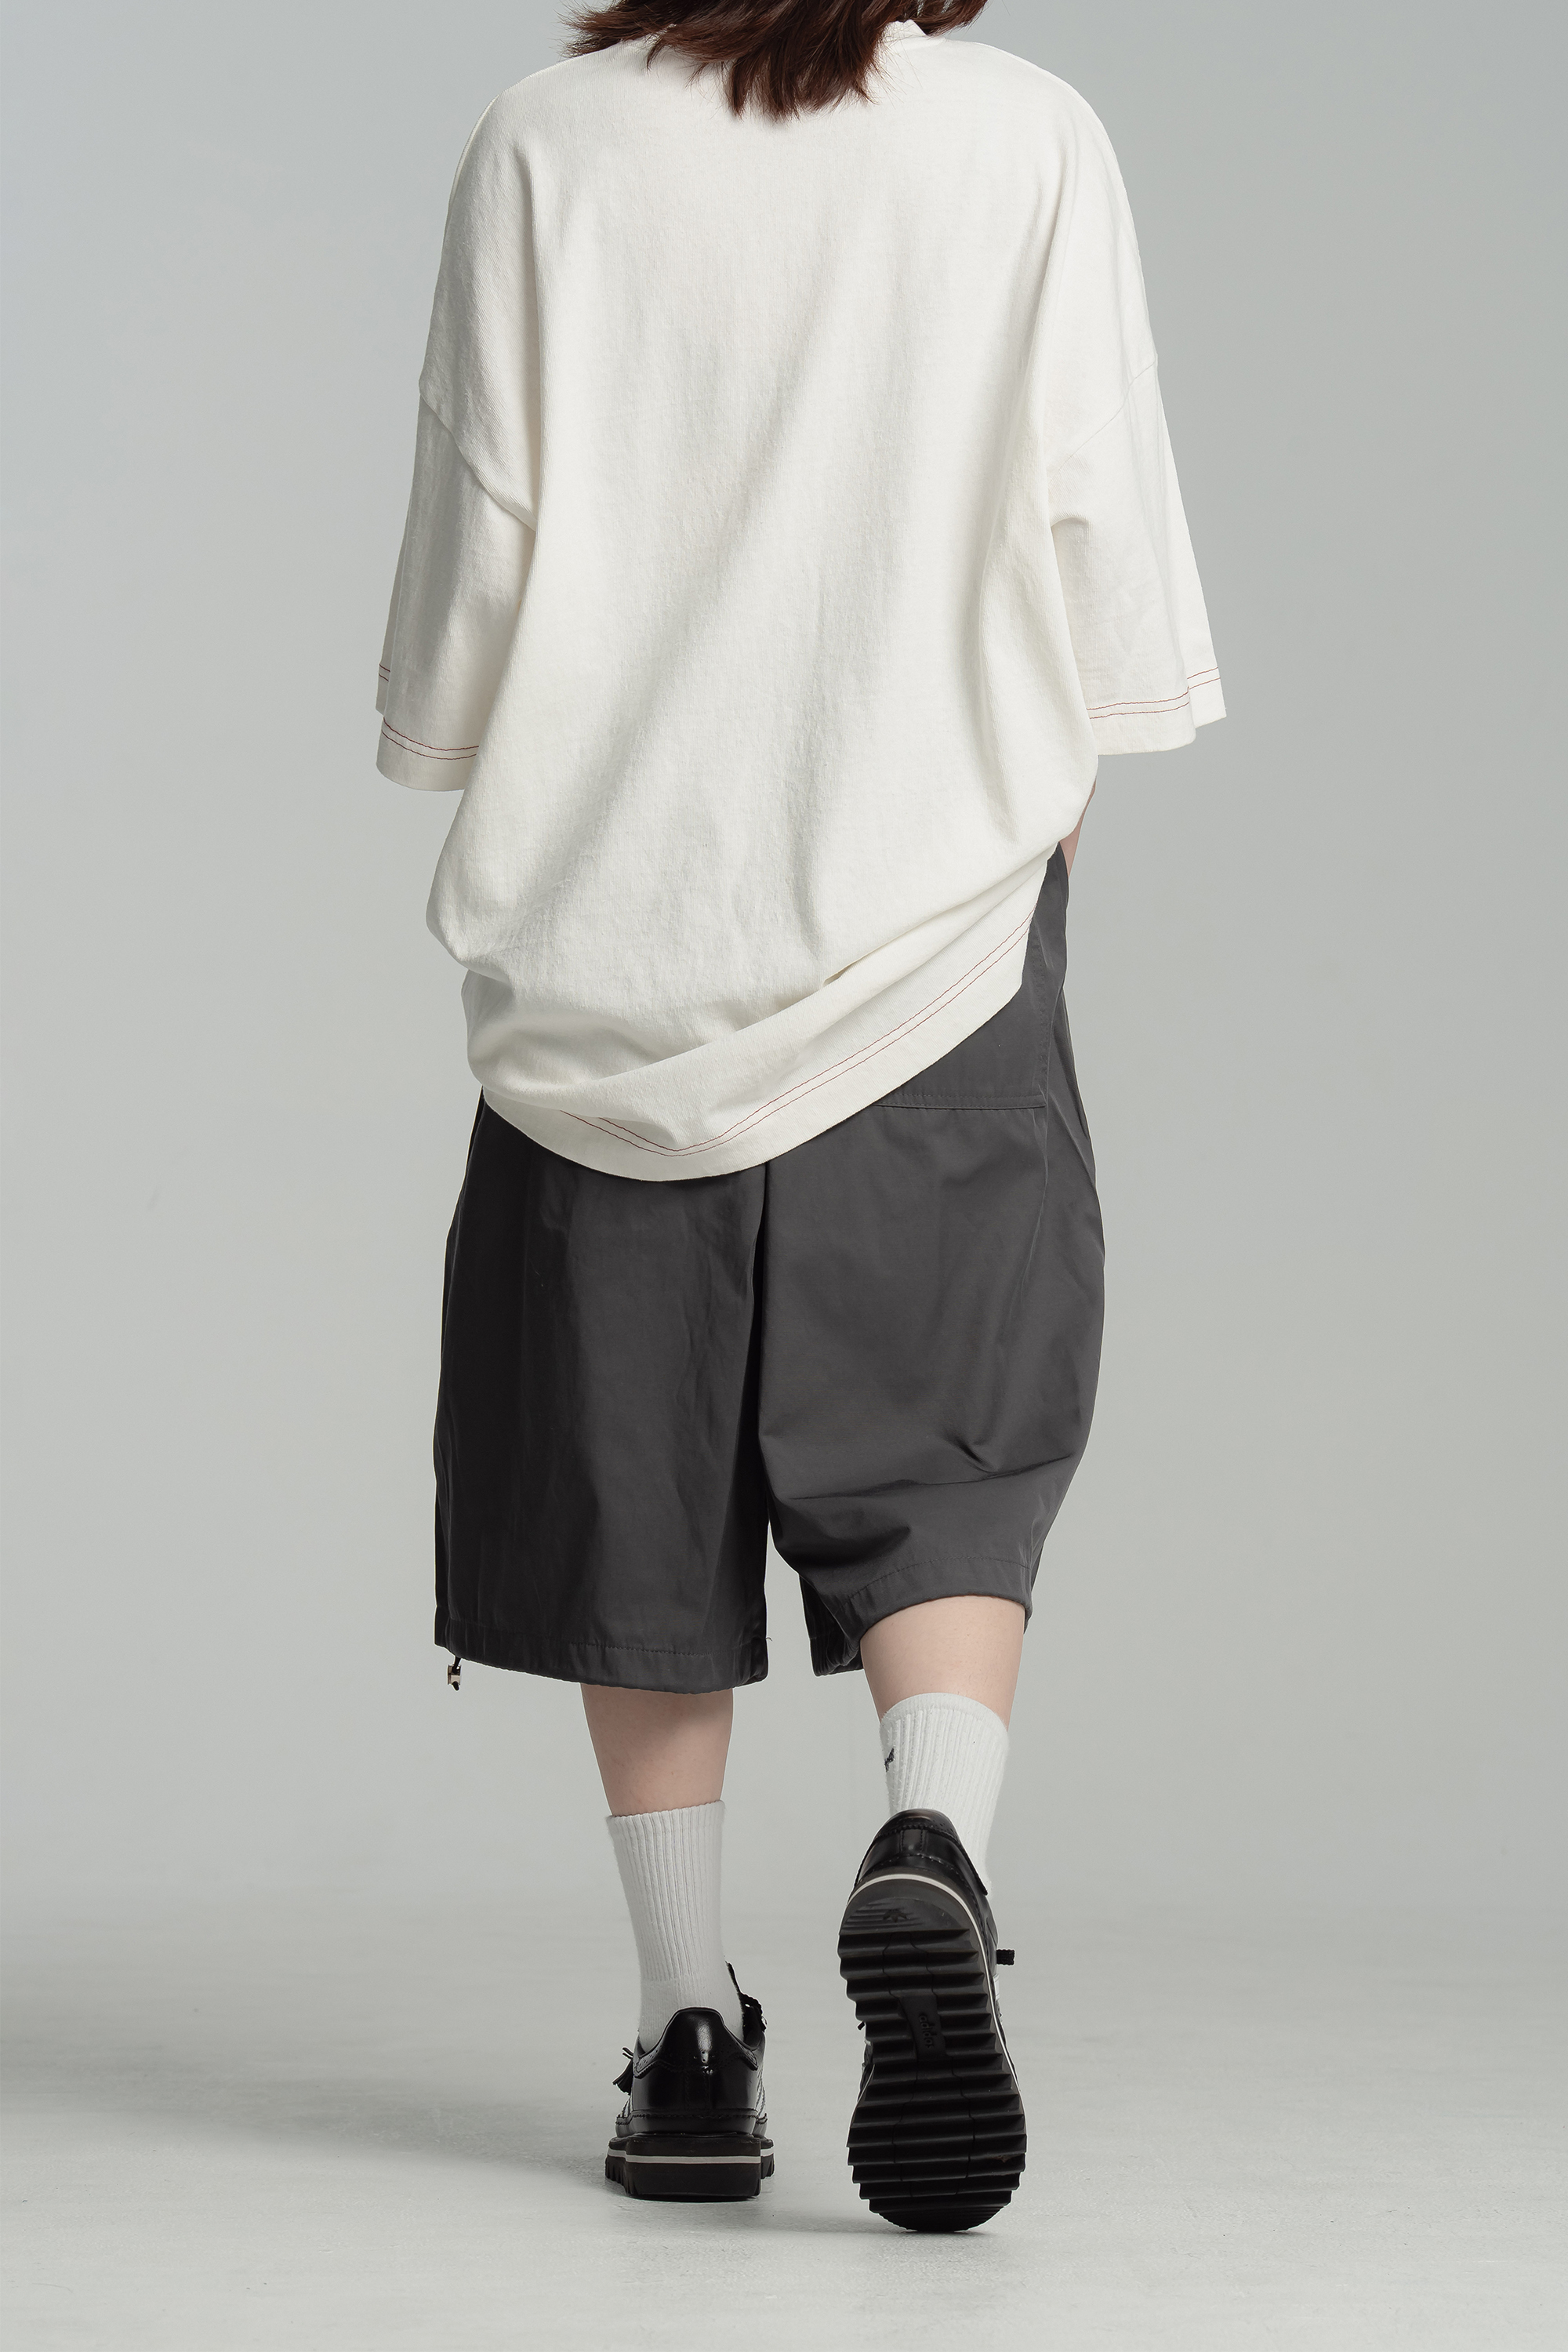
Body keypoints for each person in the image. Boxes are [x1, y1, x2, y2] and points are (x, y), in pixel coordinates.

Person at [376, 0, 1222, 2234]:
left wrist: (456, 728)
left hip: (615, 928)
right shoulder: (1028, 137)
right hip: (933, 923)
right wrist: (1070, 753)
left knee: (630, 1486)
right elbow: (1103, 509)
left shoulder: (546, 141)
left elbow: (481, 529)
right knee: (950, 1443)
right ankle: (931, 1835)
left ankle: (687, 2043)